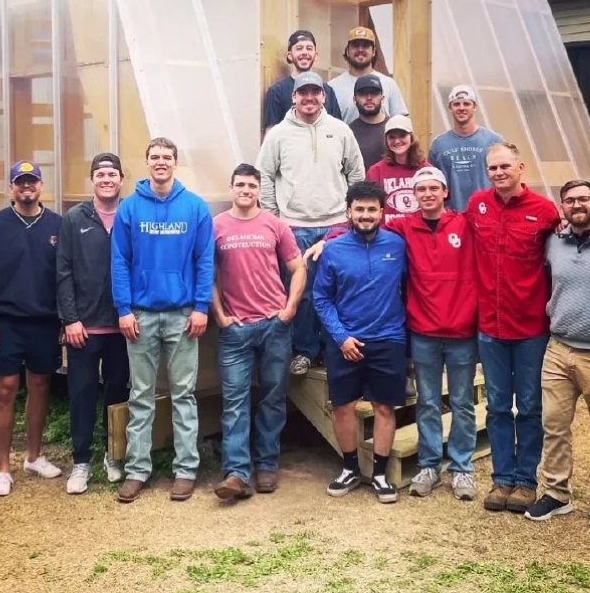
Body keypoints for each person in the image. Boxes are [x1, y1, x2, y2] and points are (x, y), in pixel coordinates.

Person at [111, 138, 214, 504]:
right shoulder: (130, 208)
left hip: (183, 314)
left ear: (175, 163)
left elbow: (205, 261)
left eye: (167, 157)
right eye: (154, 157)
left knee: (184, 393)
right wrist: (123, 309)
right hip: (140, 314)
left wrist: (202, 306)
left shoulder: (195, 207)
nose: (160, 163)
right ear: (147, 162)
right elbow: (120, 261)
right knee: (141, 394)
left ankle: (185, 469)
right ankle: (138, 469)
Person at [525, 180, 590, 528]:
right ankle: (556, 493)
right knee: (554, 425)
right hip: (558, 348)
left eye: (583, 198)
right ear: (563, 208)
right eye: (569, 201)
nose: (577, 205)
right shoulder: (554, 241)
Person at [466, 142, 559, 515]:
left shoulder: (545, 211)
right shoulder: (477, 205)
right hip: (490, 324)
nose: (499, 172)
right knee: (499, 406)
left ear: (520, 167)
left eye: (505, 166)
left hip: (531, 325)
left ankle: (526, 480)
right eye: (493, 168)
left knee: (531, 405)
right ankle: (502, 477)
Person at [256, 72, 365, 376]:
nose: (309, 97)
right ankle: (305, 351)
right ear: (294, 97)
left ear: (323, 96)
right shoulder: (278, 134)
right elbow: (263, 173)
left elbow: (356, 172)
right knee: (300, 292)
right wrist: (275, 217)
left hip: (335, 226)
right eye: (303, 92)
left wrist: (350, 216)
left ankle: (335, 350)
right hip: (294, 226)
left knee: (336, 290)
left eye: (315, 92)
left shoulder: (340, 130)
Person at [0, 161, 64, 497]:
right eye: (20, 182)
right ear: (11, 188)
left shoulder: (56, 225)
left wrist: (65, 319)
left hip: (44, 321)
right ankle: (3, 469)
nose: (27, 187)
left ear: (41, 186)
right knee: (5, 389)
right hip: (4, 322)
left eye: (32, 181)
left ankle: (34, 457)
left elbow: (64, 276)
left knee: (40, 384)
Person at [211, 164, 306, 500]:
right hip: (235, 331)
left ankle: (266, 464)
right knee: (234, 402)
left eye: (252, 185)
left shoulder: (274, 225)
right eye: (240, 185)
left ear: (259, 190)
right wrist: (220, 316)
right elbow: (207, 274)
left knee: (272, 398)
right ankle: (236, 473)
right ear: (232, 187)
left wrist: (289, 308)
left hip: (274, 326)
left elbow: (297, 268)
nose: (246, 190)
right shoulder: (216, 226)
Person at [313, 180, 408, 503]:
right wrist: (341, 338)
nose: (366, 215)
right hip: (346, 341)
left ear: (382, 212)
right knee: (343, 407)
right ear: (349, 212)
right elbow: (321, 297)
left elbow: (411, 288)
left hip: (388, 339)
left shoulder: (397, 246)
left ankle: (380, 474)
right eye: (359, 209)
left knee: (384, 406)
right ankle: (350, 468)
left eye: (372, 209)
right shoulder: (334, 250)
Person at [391, 166, 479, 502]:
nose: (427, 194)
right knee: (427, 402)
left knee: (461, 402)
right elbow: (361, 226)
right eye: (421, 189)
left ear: (445, 192)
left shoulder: (464, 223)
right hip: (424, 330)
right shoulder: (404, 225)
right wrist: (328, 240)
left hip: (461, 330)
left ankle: (461, 468)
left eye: (433, 188)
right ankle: (429, 466)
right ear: (414, 195)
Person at [56, 152, 131, 495]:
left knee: (117, 393)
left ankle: (114, 456)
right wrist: (70, 318)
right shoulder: (75, 218)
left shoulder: (131, 214)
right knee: (82, 394)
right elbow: (64, 270)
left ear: (121, 179)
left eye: (112, 173)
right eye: (100, 173)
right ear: (92, 180)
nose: (106, 179)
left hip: (121, 326)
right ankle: (82, 461)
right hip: (83, 328)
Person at [428, 85, 504, 209]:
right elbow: (433, 182)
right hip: (452, 218)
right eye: (456, 104)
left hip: (488, 214)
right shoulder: (438, 145)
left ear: (474, 107)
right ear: (450, 108)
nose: (461, 108)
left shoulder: (494, 141)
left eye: (466, 104)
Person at [262, 29, 342, 129]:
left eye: (309, 48)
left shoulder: (328, 90)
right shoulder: (276, 92)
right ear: (290, 55)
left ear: (316, 55)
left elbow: (338, 129)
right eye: (299, 48)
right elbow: (270, 134)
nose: (304, 52)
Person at [328, 25, 408, 124]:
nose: (360, 49)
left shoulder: (389, 84)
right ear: (347, 51)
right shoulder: (332, 87)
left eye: (365, 46)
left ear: (373, 51)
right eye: (356, 45)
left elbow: (401, 123)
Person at [366, 116, 425, 223]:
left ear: (411, 137)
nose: (397, 141)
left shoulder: (426, 170)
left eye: (402, 136)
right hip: (388, 234)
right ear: (386, 140)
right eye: (392, 137)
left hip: (419, 233)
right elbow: (370, 208)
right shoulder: (376, 171)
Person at [348, 74, 388, 170]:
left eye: (374, 93)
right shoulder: (348, 132)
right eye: (363, 94)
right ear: (354, 99)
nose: (369, 98)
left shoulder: (394, 128)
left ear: (382, 98)